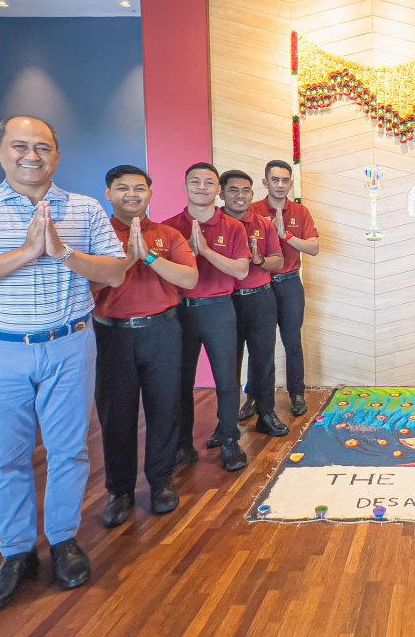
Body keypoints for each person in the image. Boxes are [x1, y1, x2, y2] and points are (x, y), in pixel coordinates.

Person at [0, 115, 126, 617]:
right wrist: (25, 253)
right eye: (20, 145)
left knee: (70, 451)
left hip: (69, 346)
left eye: (43, 147)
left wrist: (63, 254)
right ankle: (15, 554)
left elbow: (116, 270)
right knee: (7, 460)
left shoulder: (82, 209)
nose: (31, 155)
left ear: (57, 154)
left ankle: (63, 541)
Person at [93, 165, 198, 528]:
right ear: (109, 193)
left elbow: (189, 277)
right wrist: (127, 259)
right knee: (116, 416)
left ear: (151, 193)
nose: (132, 195)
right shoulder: (97, 234)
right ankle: (119, 491)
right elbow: (86, 288)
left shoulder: (168, 235)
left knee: (165, 407)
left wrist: (150, 257)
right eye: (122, 188)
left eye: (140, 188)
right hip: (113, 334)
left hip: (162, 331)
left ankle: (161, 481)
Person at [163, 163, 251, 472]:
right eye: (195, 181)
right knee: (180, 382)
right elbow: (162, 275)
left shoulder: (233, 227)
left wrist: (205, 251)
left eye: (208, 182)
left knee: (227, 379)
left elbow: (241, 270)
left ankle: (229, 439)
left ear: (218, 190)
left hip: (219, 309)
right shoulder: (168, 227)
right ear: (186, 186)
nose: (202, 187)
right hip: (179, 312)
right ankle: (183, 445)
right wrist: (187, 250)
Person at [219, 170, 288, 438]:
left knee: (263, 360)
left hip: (260, 299)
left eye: (246, 190)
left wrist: (259, 261)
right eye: (234, 190)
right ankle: (224, 423)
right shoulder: (211, 223)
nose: (240, 195)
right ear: (222, 193)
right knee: (227, 364)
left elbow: (278, 262)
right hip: (225, 303)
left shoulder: (263, 224)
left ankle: (266, 413)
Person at [249, 160, 320, 418]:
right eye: (275, 180)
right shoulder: (253, 209)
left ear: (291, 183)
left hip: (289, 283)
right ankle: (253, 396)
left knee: (292, 342)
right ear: (265, 182)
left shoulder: (300, 212)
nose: (280, 185)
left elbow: (313, 248)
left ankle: (297, 394)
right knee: (259, 344)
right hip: (260, 285)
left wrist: (286, 235)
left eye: (285, 180)